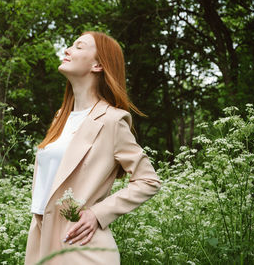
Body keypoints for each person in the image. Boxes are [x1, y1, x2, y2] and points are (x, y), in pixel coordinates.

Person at [24, 31, 162, 265]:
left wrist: (98, 214)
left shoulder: (112, 120)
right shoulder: (60, 117)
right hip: (40, 241)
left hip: (82, 247)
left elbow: (148, 181)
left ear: (98, 64)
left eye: (78, 46)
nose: (67, 50)